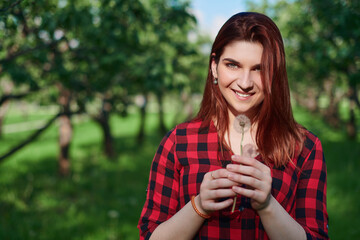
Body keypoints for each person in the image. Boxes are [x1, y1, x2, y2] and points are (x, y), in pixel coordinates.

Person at [138, 12, 329, 240]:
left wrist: (267, 205)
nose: (245, 83)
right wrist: (199, 206)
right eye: (233, 65)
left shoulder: (304, 147)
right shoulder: (178, 142)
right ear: (214, 66)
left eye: (259, 69)